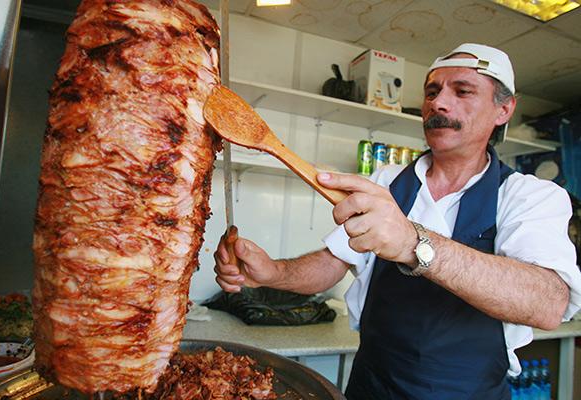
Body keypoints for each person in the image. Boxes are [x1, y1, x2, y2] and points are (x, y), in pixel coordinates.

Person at [213, 43, 581, 399]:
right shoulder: (387, 182)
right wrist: (273, 272)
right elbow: (334, 262)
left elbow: (547, 304)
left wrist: (413, 243)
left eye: (463, 90)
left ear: (504, 110)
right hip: (372, 386)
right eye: (432, 91)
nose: (438, 102)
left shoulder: (528, 196)